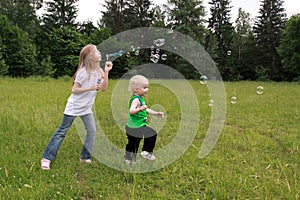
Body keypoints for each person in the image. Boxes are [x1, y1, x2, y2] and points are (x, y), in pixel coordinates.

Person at [41, 44, 113, 170]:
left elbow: (104, 88)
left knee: (92, 131)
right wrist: (90, 88)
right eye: (96, 51)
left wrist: (106, 72)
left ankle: (85, 157)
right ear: (90, 57)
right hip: (74, 107)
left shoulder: (99, 71)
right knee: (62, 132)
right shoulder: (83, 73)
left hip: (86, 108)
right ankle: (46, 158)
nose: (99, 53)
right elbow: (74, 90)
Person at [124, 75, 164, 165]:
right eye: (144, 87)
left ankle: (142, 153)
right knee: (133, 143)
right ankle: (130, 158)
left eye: (147, 87)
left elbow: (147, 110)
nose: (147, 89)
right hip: (134, 127)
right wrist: (140, 109)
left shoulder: (141, 98)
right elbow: (131, 111)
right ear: (136, 89)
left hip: (139, 126)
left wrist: (157, 113)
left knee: (139, 140)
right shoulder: (136, 100)